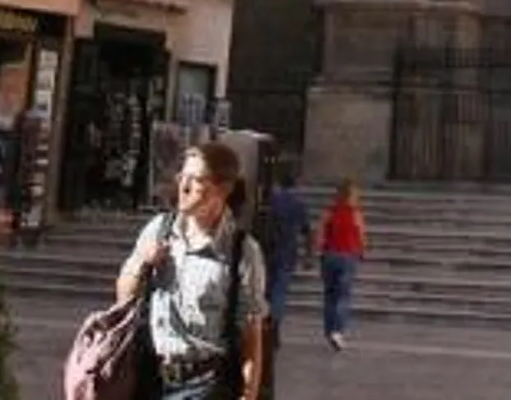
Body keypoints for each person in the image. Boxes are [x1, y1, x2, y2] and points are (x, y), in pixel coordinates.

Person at [117, 142, 267, 400]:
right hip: (150, 376)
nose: (183, 188)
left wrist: (248, 393)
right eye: (181, 177)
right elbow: (123, 297)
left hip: (205, 383)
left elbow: (251, 332)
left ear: (224, 188)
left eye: (195, 179)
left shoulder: (242, 251)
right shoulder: (159, 229)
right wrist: (143, 262)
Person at [318, 179, 368, 350]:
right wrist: (362, 251)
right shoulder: (355, 213)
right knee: (343, 295)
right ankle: (338, 330)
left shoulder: (329, 212)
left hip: (330, 255)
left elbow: (320, 234)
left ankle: (329, 329)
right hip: (347, 256)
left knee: (329, 294)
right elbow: (361, 235)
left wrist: (318, 252)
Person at [264, 170, 312, 327]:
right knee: (281, 287)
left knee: (268, 285)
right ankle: (274, 320)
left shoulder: (272, 201)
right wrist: (308, 254)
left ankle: (265, 316)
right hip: (288, 249)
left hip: (270, 248)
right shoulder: (299, 204)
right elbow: (307, 230)